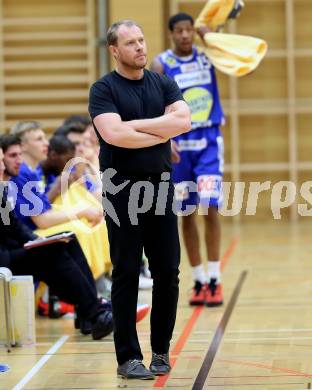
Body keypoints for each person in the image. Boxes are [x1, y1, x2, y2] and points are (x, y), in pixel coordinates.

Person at [88, 20, 191, 379]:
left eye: (142, 40)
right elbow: (113, 135)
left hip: (160, 186)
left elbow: (183, 122)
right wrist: (158, 128)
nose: (140, 48)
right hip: (121, 189)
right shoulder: (103, 89)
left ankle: (160, 352)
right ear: (114, 50)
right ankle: (128, 358)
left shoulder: (162, 82)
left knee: (168, 271)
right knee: (127, 271)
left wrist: (135, 129)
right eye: (131, 43)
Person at [0, 144, 113, 340]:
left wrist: (39, 240)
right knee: (51, 252)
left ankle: (89, 313)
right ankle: (95, 311)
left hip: (12, 250)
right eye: (1, 161)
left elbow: (15, 227)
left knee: (66, 240)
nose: (3, 166)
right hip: (4, 258)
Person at [151, 13, 225, 307]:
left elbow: (240, 65)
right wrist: (164, 139)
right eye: (179, 31)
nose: (185, 35)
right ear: (171, 34)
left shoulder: (208, 56)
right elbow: (156, 106)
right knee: (187, 211)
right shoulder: (161, 64)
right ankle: (198, 280)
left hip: (207, 143)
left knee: (210, 205)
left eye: (189, 31)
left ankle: (215, 278)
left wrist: (211, 37)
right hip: (180, 144)